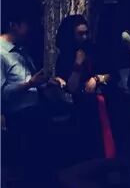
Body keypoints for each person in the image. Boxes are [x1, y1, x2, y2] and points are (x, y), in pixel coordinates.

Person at [55, 14, 116, 160]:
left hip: (102, 101)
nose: (84, 37)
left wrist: (96, 79)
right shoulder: (64, 57)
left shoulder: (94, 50)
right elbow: (71, 87)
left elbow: (111, 73)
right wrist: (78, 64)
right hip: (79, 106)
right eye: (80, 34)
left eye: (86, 33)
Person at [1, 9, 50, 161]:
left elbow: (33, 78)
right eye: (26, 24)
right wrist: (30, 84)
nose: (31, 28)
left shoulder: (21, 50)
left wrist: (45, 82)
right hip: (18, 117)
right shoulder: (1, 53)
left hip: (34, 112)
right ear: (13, 26)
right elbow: (3, 92)